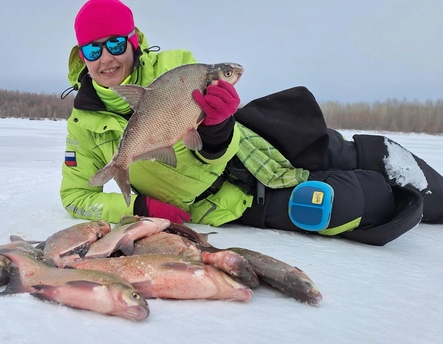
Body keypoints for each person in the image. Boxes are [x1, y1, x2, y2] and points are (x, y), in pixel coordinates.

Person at [60, 0, 443, 246]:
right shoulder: (83, 124)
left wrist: (217, 125)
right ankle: (398, 201)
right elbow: (76, 198)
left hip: (253, 144)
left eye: (114, 44)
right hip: (219, 199)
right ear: (83, 55)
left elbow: (204, 133)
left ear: (132, 41)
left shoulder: (177, 69)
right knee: (348, 202)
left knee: (361, 154)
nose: (106, 58)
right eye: (94, 49)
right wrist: (140, 205)